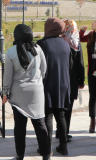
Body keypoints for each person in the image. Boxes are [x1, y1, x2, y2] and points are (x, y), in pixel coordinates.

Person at [2, 24, 51, 160]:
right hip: (36, 92)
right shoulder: (38, 49)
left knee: (19, 127)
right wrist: (36, 80)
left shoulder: (11, 52)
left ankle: (20, 155)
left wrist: (5, 93)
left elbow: (8, 76)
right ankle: (46, 155)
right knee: (40, 125)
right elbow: (44, 69)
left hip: (18, 93)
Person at [36, 18, 71, 156]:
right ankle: (63, 147)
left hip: (48, 83)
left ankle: (47, 149)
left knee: (48, 116)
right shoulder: (65, 44)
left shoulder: (41, 44)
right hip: (63, 83)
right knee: (61, 116)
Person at [57, 19, 85, 142]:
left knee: (60, 108)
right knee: (68, 109)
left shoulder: (59, 41)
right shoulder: (76, 44)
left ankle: (59, 131)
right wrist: (81, 81)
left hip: (59, 78)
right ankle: (65, 133)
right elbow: (80, 64)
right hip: (72, 80)